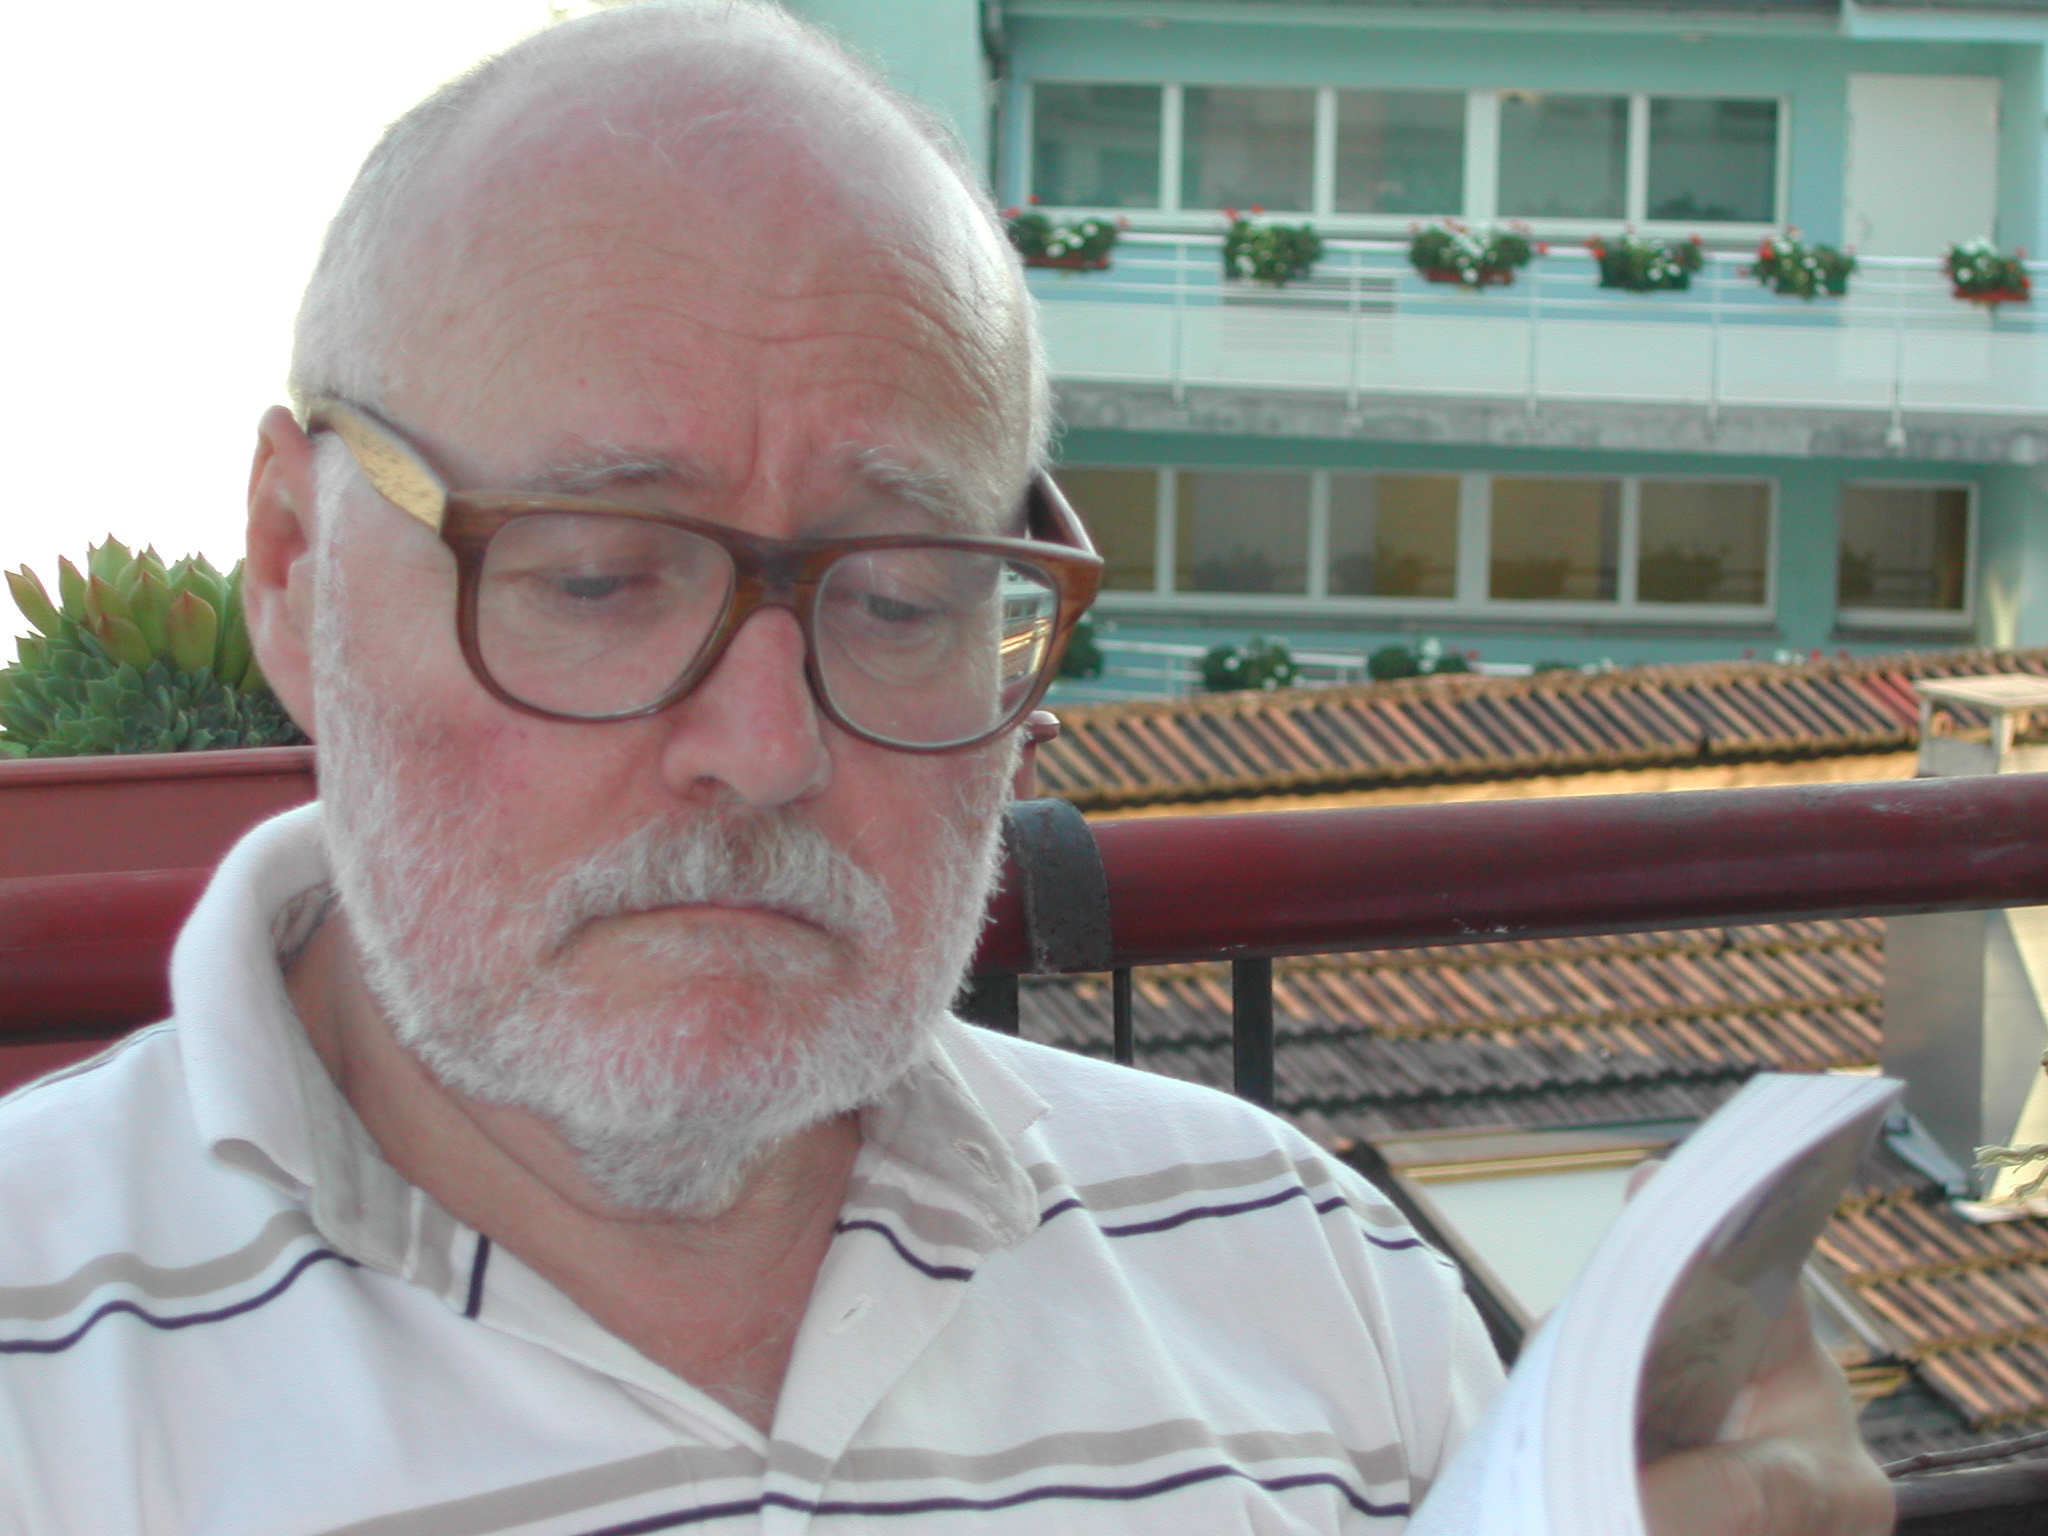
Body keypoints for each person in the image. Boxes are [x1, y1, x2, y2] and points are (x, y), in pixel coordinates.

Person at [0, 6, 1892, 1533]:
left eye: (900, 600)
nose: (768, 747)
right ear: (293, 565)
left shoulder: (1311, 1281)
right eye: (594, 579)